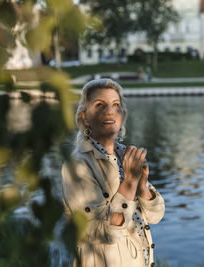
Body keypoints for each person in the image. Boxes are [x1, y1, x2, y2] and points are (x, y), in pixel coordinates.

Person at [61, 78, 165, 267]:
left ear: (122, 114)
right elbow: (101, 232)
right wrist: (130, 182)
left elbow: (155, 216)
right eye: (100, 105)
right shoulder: (76, 165)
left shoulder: (124, 155)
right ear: (84, 116)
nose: (109, 110)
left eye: (115, 104)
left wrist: (142, 186)